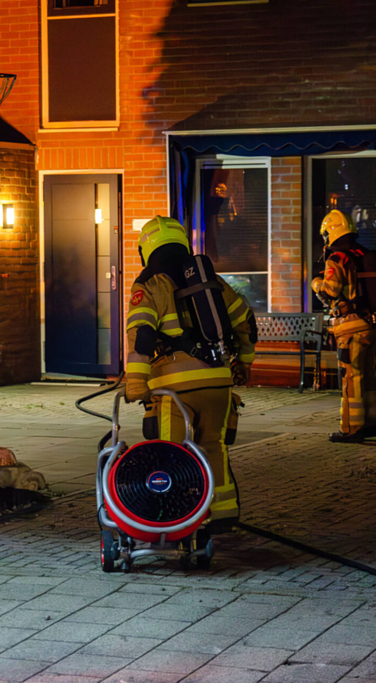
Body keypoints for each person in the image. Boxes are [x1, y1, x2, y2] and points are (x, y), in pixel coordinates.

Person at [124, 216, 256, 532]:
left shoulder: (149, 284)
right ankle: (222, 513)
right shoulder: (212, 283)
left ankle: (177, 516)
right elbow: (245, 322)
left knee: (172, 454)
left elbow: (141, 334)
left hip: (173, 388)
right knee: (214, 445)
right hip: (218, 382)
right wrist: (245, 363)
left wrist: (136, 381)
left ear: (147, 248)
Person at [310, 209, 376, 443]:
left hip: (351, 327)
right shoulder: (363, 252)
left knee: (350, 377)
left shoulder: (338, 258)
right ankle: (373, 424)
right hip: (371, 325)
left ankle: (351, 429)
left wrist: (316, 283)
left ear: (330, 233)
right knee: (368, 376)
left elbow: (332, 290)